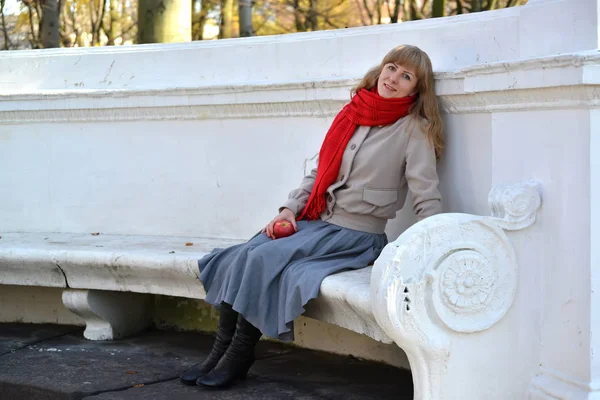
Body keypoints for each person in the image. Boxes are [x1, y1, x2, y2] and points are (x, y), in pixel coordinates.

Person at [180, 44, 444, 390]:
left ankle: (240, 353)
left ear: (417, 89)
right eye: (392, 68)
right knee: (240, 255)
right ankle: (219, 353)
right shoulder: (354, 113)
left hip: (355, 236)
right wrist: (289, 209)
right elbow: (319, 173)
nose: (394, 78)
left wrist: (437, 248)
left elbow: (427, 196)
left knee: (261, 258)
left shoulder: (414, 130)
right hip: (315, 221)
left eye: (406, 76)